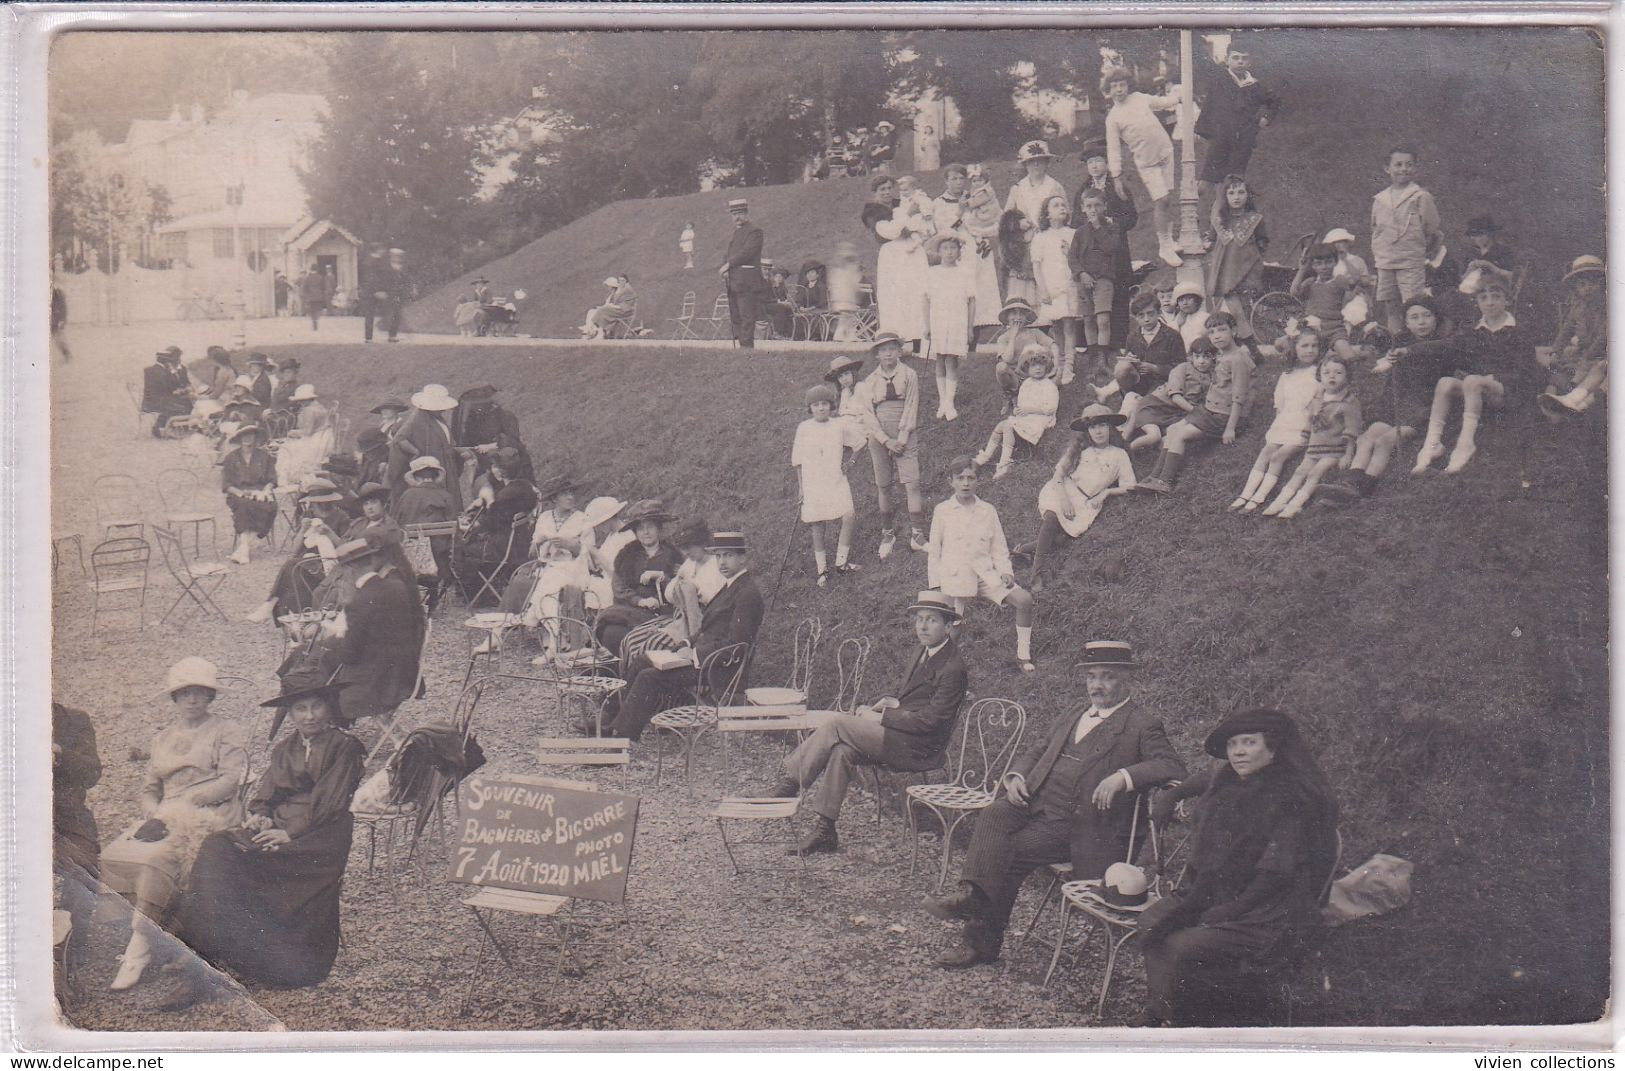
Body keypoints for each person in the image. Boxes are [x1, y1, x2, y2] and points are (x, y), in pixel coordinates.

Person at [924, 640, 1188, 968]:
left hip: (1080, 825)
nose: (1098, 685)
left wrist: (1123, 776)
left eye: (1107, 676)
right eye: (1092, 676)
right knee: (994, 812)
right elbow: (1040, 747)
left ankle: (978, 939)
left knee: (1010, 852)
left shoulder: (1141, 723)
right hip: (1037, 803)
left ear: (1126, 679)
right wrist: (1017, 776)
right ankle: (972, 897)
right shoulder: (1075, 711)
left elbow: (1172, 766)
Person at [164, 674, 365, 1007]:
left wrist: (288, 833)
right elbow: (266, 794)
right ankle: (206, 950)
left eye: (316, 706)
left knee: (256, 858)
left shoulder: (345, 747)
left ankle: (211, 958)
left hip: (321, 837)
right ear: (290, 712)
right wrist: (260, 814)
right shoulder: (286, 748)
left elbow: (330, 804)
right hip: (281, 827)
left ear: (329, 708)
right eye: (300, 708)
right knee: (217, 847)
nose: (309, 715)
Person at [1135, 708, 1338, 1028]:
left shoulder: (1291, 799)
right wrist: (1174, 793)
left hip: (1269, 908)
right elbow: (1207, 785)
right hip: (1220, 893)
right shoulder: (1228, 785)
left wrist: (1229, 909)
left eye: (1249, 742)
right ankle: (1162, 1008)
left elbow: (1276, 873)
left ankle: (1194, 1022)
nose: (1238, 751)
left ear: (1272, 748)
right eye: (1232, 744)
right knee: (1151, 920)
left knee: (1181, 943)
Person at [766, 589, 969, 855]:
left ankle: (790, 783)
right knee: (842, 750)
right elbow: (919, 702)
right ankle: (825, 831)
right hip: (901, 735)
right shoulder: (923, 651)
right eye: (919, 619)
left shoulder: (953, 667)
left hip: (920, 747)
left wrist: (881, 716)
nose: (923, 626)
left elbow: (932, 721)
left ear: (948, 625)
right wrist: (893, 704)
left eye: (931, 619)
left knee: (838, 724)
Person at [102, 659, 247, 992]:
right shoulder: (163, 738)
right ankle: (159, 929)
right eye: (184, 694)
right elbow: (150, 789)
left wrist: (187, 803)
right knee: (119, 853)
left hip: (212, 813)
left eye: (199, 693)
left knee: (158, 860)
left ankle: (138, 949)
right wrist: (155, 813)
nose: (192, 700)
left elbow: (230, 780)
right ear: (175, 699)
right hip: (167, 815)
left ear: (209, 696)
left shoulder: (226, 731)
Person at [602, 532, 764, 742]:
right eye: (719, 556)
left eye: (729, 556)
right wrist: (686, 643)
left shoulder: (748, 594)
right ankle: (608, 717)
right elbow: (710, 627)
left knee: (649, 677)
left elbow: (738, 645)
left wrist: (694, 654)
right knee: (643, 659)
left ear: (743, 558)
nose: (723, 562)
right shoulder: (730, 585)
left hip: (719, 669)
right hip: (705, 658)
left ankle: (621, 736)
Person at [1404, 266, 1530, 475]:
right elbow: (1447, 345)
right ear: (1477, 302)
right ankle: (1432, 444)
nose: (1489, 302)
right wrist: (1409, 350)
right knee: (1445, 382)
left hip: (1507, 393)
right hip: (1478, 390)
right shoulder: (1475, 331)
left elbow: (1526, 372)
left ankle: (1465, 444)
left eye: (1496, 297)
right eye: (1483, 298)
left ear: (1507, 300)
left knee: (1472, 380)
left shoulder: (1517, 330)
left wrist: (1493, 377)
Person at [928, 456, 1038, 672]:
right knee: (953, 627)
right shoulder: (943, 510)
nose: (966, 483)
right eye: (960, 478)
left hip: (985, 574)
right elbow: (934, 551)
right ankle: (942, 667)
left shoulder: (988, 510)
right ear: (951, 481)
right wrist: (936, 586)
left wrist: (1005, 571)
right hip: (954, 577)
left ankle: (1023, 656)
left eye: (971, 478)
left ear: (978, 481)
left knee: (1024, 600)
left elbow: (998, 546)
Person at [310, 536, 425, 729]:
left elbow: (349, 654)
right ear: (372, 562)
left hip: (379, 681)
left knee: (319, 660)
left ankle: (332, 725)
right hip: (404, 672)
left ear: (348, 570)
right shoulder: (396, 586)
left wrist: (332, 641)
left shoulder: (360, 601)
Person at [1137, 314, 1254, 493]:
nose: (1216, 335)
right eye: (1212, 332)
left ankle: (1165, 481)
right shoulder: (1222, 355)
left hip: (1224, 417)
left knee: (1180, 434)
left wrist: (1230, 428)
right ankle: (1155, 476)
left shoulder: (1238, 358)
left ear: (1234, 331)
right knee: (1173, 429)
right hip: (1210, 410)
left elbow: (1239, 396)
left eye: (1222, 330)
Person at [1025, 404, 1136, 592]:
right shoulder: (1078, 449)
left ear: (1110, 427)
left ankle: (1021, 550)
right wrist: (1064, 500)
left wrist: (1106, 492)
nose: (1098, 431)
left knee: (1061, 539)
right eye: (1093, 427)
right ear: (1087, 431)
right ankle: (1036, 574)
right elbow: (1058, 476)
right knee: (1052, 518)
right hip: (1063, 491)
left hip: (1086, 502)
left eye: (1102, 425)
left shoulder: (1119, 455)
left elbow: (1130, 485)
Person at [1260, 353, 1361, 518]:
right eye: (1326, 373)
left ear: (1347, 376)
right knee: (1300, 471)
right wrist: (1305, 435)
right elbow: (1310, 420)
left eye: (1338, 372)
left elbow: (1352, 430)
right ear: (1319, 377)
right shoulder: (1318, 398)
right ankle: (1280, 501)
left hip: (1334, 449)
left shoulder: (1349, 402)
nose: (1332, 376)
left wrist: (1348, 453)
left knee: (1315, 472)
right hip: (1314, 447)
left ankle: (1295, 504)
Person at [1230, 330, 1322, 511]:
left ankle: (1259, 497)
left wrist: (1310, 426)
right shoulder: (1287, 375)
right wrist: (1280, 422)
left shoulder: (1319, 374)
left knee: (1278, 457)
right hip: (1285, 422)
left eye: (1314, 346)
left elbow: (1319, 404)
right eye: (1304, 346)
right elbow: (1280, 403)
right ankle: (1246, 494)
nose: (1310, 350)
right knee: (1266, 452)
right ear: (1294, 349)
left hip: (1303, 425)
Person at [1101, 67, 1184, 266]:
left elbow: (1162, 103)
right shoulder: (1113, 118)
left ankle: (1170, 240)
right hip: (1147, 163)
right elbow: (1114, 150)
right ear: (1108, 91)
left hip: (1165, 152)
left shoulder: (1139, 98)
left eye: (1122, 85)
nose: (1119, 90)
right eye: (1114, 87)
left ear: (1128, 85)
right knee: (1161, 199)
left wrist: (1178, 96)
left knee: (1167, 200)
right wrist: (1117, 177)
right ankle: (1164, 247)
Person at [857, 333, 927, 559]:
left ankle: (917, 535)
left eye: (892, 349)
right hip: (879, 436)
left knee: (912, 483)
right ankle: (887, 534)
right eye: (883, 349)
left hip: (904, 433)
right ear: (876, 354)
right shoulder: (869, 382)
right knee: (884, 485)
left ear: (899, 351)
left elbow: (911, 406)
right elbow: (868, 415)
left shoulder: (910, 375)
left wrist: (902, 439)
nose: (887, 353)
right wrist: (885, 440)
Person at [1194, 38, 1280, 214]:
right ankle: (1190, 215)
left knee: (1230, 188)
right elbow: (1209, 102)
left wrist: (1266, 118)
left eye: (1244, 58)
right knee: (1205, 184)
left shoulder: (1255, 86)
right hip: (1220, 139)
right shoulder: (1220, 80)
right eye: (1236, 58)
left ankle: (1220, 231)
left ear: (1250, 62)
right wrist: (1203, 130)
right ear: (1227, 60)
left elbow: (1275, 101)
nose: (1240, 62)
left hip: (1242, 143)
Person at [53, 699, 102, 983]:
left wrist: (61, 754)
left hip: (69, 820)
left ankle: (72, 944)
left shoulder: (74, 720)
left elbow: (92, 772)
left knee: (83, 868)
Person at [592, 499, 680, 654]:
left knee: (654, 637)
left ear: (658, 529)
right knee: (611, 633)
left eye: (650, 527)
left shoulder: (673, 554)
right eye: (641, 528)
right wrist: (640, 601)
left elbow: (681, 585)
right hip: (632, 609)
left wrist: (663, 578)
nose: (646, 532)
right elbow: (619, 587)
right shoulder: (626, 554)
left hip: (663, 612)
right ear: (635, 532)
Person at [1371, 146, 1443, 335]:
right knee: (1392, 309)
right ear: (1387, 168)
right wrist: (1381, 252)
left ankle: (1415, 349)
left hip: (1410, 262)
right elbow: (1376, 229)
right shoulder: (1380, 199)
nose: (1404, 169)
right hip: (1386, 261)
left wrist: (1420, 250)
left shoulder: (1420, 197)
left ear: (1415, 168)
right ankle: (1396, 348)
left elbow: (1432, 228)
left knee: (1414, 307)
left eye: (1409, 165)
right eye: (1398, 164)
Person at [1077, 139, 1140, 345]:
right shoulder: (1083, 190)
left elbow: (1132, 217)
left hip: (1116, 248)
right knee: (1095, 295)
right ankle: (1097, 344)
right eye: (1090, 163)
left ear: (1106, 163)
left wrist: (1115, 222)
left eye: (1098, 161)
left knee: (1119, 291)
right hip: (1092, 251)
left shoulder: (1118, 187)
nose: (1094, 166)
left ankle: (1120, 340)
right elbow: (1075, 220)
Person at [455, 451, 537, 603]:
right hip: (520, 543)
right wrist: (483, 501)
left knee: (462, 547)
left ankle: (472, 595)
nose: (492, 469)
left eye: (494, 466)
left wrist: (466, 526)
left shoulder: (504, 496)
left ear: (500, 471)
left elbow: (490, 524)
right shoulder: (525, 487)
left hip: (503, 548)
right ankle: (485, 589)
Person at [865, 176, 930, 352]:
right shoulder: (872, 211)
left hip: (913, 253)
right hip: (893, 256)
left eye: (888, 188)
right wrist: (908, 215)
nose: (887, 192)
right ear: (875, 192)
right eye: (882, 189)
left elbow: (920, 218)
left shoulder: (901, 202)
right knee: (895, 298)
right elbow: (890, 232)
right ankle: (895, 342)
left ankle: (919, 342)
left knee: (917, 294)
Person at [1538, 255, 1608, 418]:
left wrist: (1587, 355)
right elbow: (1566, 331)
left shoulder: (1607, 307)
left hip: (1602, 352)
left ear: (1602, 284)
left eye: (1592, 283)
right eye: (1582, 285)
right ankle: (1552, 404)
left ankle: (1575, 399)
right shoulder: (1577, 307)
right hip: (1584, 350)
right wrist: (1556, 351)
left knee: (1590, 369)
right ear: (1576, 288)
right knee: (1559, 366)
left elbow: (1604, 336)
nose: (1587, 288)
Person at [973, 346, 1058, 480]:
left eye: (1041, 365)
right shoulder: (1026, 384)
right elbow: (1022, 403)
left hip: (1040, 417)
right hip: (1027, 416)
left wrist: (1029, 410)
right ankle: (985, 456)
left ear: (1046, 367)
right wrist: (1017, 410)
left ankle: (1004, 464)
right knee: (1001, 424)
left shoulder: (1049, 385)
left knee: (1007, 426)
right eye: (1034, 365)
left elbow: (1050, 409)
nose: (1038, 368)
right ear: (1027, 368)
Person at [1203, 175, 1269, 343]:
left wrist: (1253, 254)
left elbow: (1263, 242)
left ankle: (1248, 342)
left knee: (1245, 307)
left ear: (1248, 195)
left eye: (1241, 192)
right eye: (1231, 193)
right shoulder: (1219, 220)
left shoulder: (1254, 219)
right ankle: (1250, 346)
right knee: (1236, 309)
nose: (1236, 197)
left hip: (1247, 268)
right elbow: (1209, 240)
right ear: (1225, 197)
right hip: (1226, 270)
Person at [1125, 336, 1216, 452]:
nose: (1201, 361)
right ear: (1190, 357)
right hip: (1155, 406)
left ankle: (1161, 444)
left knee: (1177, 431)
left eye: (1206, 357)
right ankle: (1127, 451)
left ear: (1213, 357)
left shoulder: (1212, 375)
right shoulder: (1182, 369)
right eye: (1197, 356)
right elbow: (1176, 397)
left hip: (1176, 413)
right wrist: (1195, 411)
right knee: (1154, 436)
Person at [921, 231, 976, 419]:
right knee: (940, 358)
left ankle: (949, 402)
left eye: (953, 248)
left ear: (959, 251)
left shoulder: (964, 272)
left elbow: (971, 301)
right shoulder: (932, 272)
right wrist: (927, 325)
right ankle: (942, 400)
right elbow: (926, 300)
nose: (950, 252)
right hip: (938, 320)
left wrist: (969, 327)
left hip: (957, 320)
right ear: (939, 251)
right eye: (945, 248)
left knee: (951, 359)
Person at [1029, 194, 1081, 385]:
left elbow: (1078, 260)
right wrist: (1043, 290)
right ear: (1047, 214)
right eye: (1055, 205)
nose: (1061, 208)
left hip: (1069, 284)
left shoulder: (1073, 233)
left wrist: (1070, 254)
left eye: (1063, 205)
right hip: (1051, 286)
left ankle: (1069, 365)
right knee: (1056, 325)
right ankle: (1058, 363)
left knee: (1069, 324)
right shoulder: (1041, 238)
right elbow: (1037, 266)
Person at [396, 455, 458, 609]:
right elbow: (454, 529)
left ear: (416, 476)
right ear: (436, 475)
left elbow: (397, 522)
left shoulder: (407, 496)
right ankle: (433, 594)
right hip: (440, 557)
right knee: (439, 545)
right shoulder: (446, 496)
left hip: (411, 556)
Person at [386, 384, 462, 509]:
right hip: (432, 466)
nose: (443, 410)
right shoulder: (417, 419)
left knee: (450, 497)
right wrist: (416, 452)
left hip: (446, 464)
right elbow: (400, 439)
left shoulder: (438, 419)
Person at [1112, 291, 1186, 415]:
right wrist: (1130, 360)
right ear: (1135, 318)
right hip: (1139, 382)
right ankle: (1128, 397)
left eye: (1150, 314)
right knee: (1122, 367)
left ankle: (1138, 407)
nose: (1146, 319)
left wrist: (1156, 368)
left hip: (1163, 383)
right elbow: (1128, 367)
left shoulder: (1172, 335)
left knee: (1143, 408)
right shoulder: (1133, 337)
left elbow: (1182, 367)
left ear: (1158, 313)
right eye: (1141, 315)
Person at [1289, 242, 1364, 360]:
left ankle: (1360, 352)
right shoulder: (1311, 282)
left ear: (1335, 262)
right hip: (1311, 327)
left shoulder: (1339, 280)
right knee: (1281, 345)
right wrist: (1302, 270)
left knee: (1348, 357)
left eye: (1328, 262)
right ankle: (1325, 352)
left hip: (1334, 328)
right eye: (1318, 263)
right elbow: (1294, 292)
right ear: (1313, 265)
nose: (1324, 267)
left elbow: (1356, 279)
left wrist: (1344, 259)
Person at [217, 423, 277, 565]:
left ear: (256, 437)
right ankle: (246, 546)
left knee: (271, 505)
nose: (247, 438)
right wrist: (240, 493)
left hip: (260, 492)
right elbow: (226, 484)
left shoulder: (264, 456)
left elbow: (272, 479)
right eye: (244, 435)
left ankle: (243, 548)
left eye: (251, 434)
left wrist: (266, 490)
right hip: (238, 494)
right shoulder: (231, 458)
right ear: (239, 437)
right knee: (244, 505)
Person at [1069, 188, 1122, 348]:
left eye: (1097, 205)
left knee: (1103, 320)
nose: (1093, 210)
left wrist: (1098, 226)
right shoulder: (1080, 232)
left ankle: (1102, 357)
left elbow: (1110, 248)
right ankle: (1093, 356)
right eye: (1089, 206)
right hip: (1084, 281)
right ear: (1083, 208)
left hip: (1103, 279)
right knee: (1088, 319)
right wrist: (1081, 273)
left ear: (1105, 206)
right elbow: (1072, 257)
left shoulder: (1112, 228)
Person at [454, 384, 529, 483]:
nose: (475, 409)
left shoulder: (506, 416)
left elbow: (514, 441)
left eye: (477, 406)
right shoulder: (475, 419)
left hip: (510, 464)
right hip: (487, 464)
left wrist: (490, 446)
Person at [722, 199, 770, 349]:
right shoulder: (737, 232)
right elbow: (730, 253)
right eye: (734, 214)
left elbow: (748, 252)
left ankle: (747, 347)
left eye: (740, 213)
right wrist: (726, 267)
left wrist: (728, 265)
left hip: (747, 281)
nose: (737, 217)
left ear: (746, 213)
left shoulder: (754, 231)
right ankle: (741, 348)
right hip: (735, 281)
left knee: (747, 315)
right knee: (736, 315)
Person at [990, 297, 1053, 410]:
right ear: (1007, 317)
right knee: (1001, 367)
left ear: (1026, 317)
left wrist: (1056, 365)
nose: (1018, 317)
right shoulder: (1003, 338)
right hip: (1015, 378)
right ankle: (1011, 394)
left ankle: (1032, 394)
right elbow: (1007, 359)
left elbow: (1053, 345)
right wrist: (1013, 336)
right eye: (1013, 313)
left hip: (1034, 374)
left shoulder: (1034, 333)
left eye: (1021, 314)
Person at [275, 383, 335, 490]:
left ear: (308, 399)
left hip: (316, 440)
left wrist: (293, 432)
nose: (300, 402)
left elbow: (307, 432)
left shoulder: (310, 410)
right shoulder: (319, 406)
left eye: (302, 400)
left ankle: (288, 477)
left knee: (286, 449)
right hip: (325, 436)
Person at [1004, 139, 1066, 228]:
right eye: (1031, 161)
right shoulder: (1017, 189)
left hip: (1051, 236)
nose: (1036, 164)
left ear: (1046, 162)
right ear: (1025, 164)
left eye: (1040, 160)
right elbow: (1007, 218)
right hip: (1026, 237)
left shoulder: (1056, 187)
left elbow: (1065, 216)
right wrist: (1020, 223)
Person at [142, 346, 194, 437]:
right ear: (165, 360)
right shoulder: (159, 372)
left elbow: (174, 387)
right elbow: (170, 389)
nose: (176, 360)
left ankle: (173, 427)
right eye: (173, 359)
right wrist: (181, 391)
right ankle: (169, 428)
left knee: (185, 401)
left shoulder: (158, 370)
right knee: (184, 403)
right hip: (156, 401)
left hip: (159, 399)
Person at [581, 274, 636, 339]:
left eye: (608, 286)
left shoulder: (622, 292)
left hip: (620, 312)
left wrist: (609, 306)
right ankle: (590, 329)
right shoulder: (613, 294)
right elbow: (608, 305)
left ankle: (594, 331)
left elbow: (623, 305)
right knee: (591, 311)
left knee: (601, 311)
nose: (607, 287)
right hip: (612, 311)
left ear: (611, 286)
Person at [300, 265, 328, 331]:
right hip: (319, 297)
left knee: (312, 310)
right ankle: (316, 319)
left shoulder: (307, 278)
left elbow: (304, 288)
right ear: (317, 269)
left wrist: (306, 295)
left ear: (310, 269)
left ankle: (314, 319)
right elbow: (324, 287)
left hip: (310, 297)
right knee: (318, 309)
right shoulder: (320, 277)